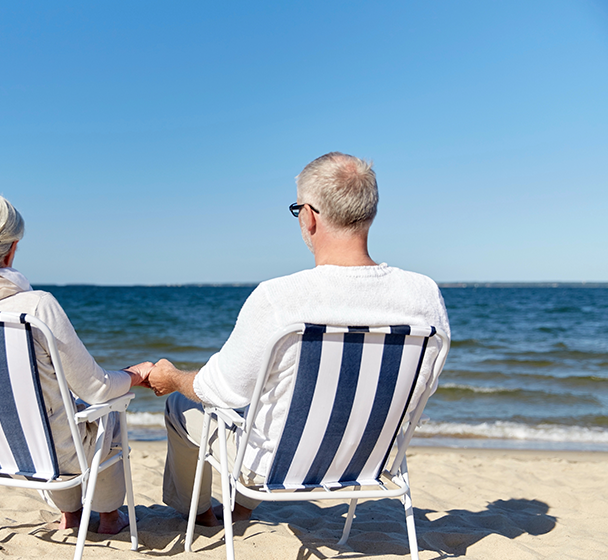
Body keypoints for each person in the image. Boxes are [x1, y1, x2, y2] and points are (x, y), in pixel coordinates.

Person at [146, 152, 450, 526]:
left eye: (297, 210)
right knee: (272, 402)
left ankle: (201, 514)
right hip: (372, 461)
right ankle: (240, 509)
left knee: (183, 406)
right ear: (369, 212)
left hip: (274, 468)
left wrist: (173, 377)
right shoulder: (423, 295)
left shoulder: (280, 298)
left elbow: (221, 391)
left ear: (308, 216)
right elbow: (423, 388)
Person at [0, 190, 152, 534]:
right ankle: (110, 517)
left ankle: (71, 515)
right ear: (11, 249)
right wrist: (136, 374)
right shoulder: (35, 308)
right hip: (48, 456)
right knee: (110, 410)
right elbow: (97, 388)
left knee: (52, 414)